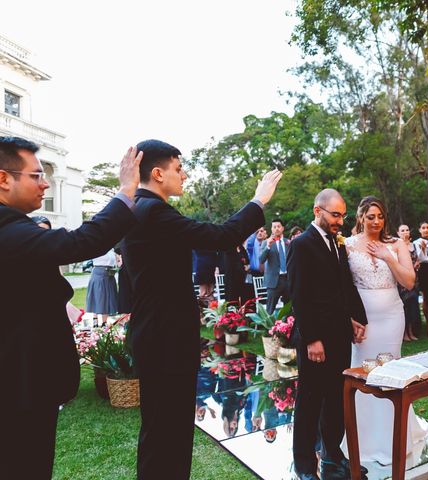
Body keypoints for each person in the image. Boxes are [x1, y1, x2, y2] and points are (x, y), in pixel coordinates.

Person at [122, 139, 281, 480]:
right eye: (178, 169)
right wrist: (258, 201)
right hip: (165, 338)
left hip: (155, 333)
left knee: (163, 432)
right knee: (169, 433)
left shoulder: (139, 209)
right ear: (157, 172)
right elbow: (220, 236)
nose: (184, 175)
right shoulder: (153, 211)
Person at [0, 136, 141, 479]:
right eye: (35, 176)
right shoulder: (8, 229)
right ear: (4, 179)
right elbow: (82, 241)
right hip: (20, 387)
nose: (45, 182)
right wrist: (126, 191)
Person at [287, 188, 368, 480]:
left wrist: (357, 319)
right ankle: (305, 465)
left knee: (336, 398)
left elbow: (344, 287)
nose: (340, 221)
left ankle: (333, 455)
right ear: (317, 211)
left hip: (339, 337)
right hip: (316, 341)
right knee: (310, 402)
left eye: (342, 216)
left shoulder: (337, 244)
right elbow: (299, 295)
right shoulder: (301, 244)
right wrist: (312, 339)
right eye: (335, 215)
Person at [343, 197, 426, 465]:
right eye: (370, 217)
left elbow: (409, 282)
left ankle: (395, 435)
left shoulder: (396, 244)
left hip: (392, 316)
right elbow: (341, 286)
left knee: (390, 371)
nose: (376, 221)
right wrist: (349, 318)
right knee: (364, 372)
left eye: (379, 216)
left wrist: (388, 257)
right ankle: (364, 439)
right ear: (360, 217)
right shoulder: (347, 245)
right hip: (362, 319)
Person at [260, 218, 290, 313]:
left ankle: (288, 326)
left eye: (278, 226)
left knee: (289, 309)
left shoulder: (288, 242)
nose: (276, 229)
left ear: (282, 228)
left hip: (288, 279)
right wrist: (268, 246)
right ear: (271, 229)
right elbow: (261, 260)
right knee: (270, 310)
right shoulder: (266, 242)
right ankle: (270, 327)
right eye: (274, 227)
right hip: (273, 281)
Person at [397, 224, 420, 341]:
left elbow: (419, 258)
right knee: (404, 307)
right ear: (398, 233)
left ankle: (411, 331)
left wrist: (417, 264)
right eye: (402, 230)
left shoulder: (414, 245)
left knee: (412, 307)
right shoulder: (397, 246)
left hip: (414, 279)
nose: (405, 232)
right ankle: (404, 333)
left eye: (407, 230)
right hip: (402, 281)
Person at [85, 248, 119, 327]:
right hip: (98, 274)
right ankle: (95, 322)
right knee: (98, 297)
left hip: (110, 276)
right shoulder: (97, 246)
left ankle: (104, 323)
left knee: (108, 299)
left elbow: (115, 263)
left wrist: (117, 260)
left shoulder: (112, 250)